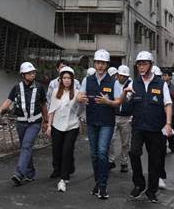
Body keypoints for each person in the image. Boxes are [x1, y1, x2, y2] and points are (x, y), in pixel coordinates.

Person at [124, 51, 174, 204]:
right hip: (138, 127)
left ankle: (152, 191)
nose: (141, 66)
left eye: (144, 63)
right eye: (139, 64)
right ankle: (139, 184)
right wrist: (125, 95)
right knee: (133, 153)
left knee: (155, 161)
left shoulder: (161, 84)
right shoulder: (134, 83)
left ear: (151, 65)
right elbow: (126, 103)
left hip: (156, 129)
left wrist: (168, 123)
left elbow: (168, 104)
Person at [77, 49, 125, 199]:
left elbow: (119, 101)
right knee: (94, 155)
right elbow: (80, 94)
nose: (100, 66)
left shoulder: (113, 82)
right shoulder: (88, 79)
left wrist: (107, 101)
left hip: (107, 122)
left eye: (103, 63)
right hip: (92, 121)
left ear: (107, 64)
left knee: (102, 152)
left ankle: (103, 186)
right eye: (98, 62)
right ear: (95, 63)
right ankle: (98, 182)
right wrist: (80, 99)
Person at [0, 61, 48, 186]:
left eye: (33, 72)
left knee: (26, 145)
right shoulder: (17, 87)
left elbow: (44, 105)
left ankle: (19, 173)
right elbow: (9, 101)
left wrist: (46, 121)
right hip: (21, 123)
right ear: (23, 75)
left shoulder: (39, 87)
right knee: (26, 147)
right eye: (29, 73)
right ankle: (30, 173)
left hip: (35, 122)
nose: (32, 75)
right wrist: (0, 109)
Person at [47, 66, 81, 192]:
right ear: (61, 79)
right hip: (57, 125)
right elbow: (51, 110)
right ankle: (62, 168)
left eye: (69, 78)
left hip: (72, 126)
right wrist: (49, 126)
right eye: (64, 78)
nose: (67, 80)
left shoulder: (77, 93)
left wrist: (80, 115)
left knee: (66, 151)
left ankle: (63, 179)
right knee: (57, 151)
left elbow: (82, 107)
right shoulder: (56, 92)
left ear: (72, 80)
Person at [109, 64, 132, 173]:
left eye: (125, 76)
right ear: (117, 75)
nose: (122, 77)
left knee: (125, 142)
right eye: (121, 75)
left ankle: (124, 162)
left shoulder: (131, 85)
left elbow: (132, 100)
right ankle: (111, 160)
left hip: (126, 117)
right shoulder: (113, 84)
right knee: (110, 139)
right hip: (114, 115)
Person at [162, 68, 174, 154]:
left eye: (165, 75)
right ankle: (163, 146)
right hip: (161, 113)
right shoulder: (159, 86)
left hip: (171, 112)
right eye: (163, 75)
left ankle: (171, 144)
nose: (163, 77)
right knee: (162, 130)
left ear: (170, 77)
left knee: (171, 130)